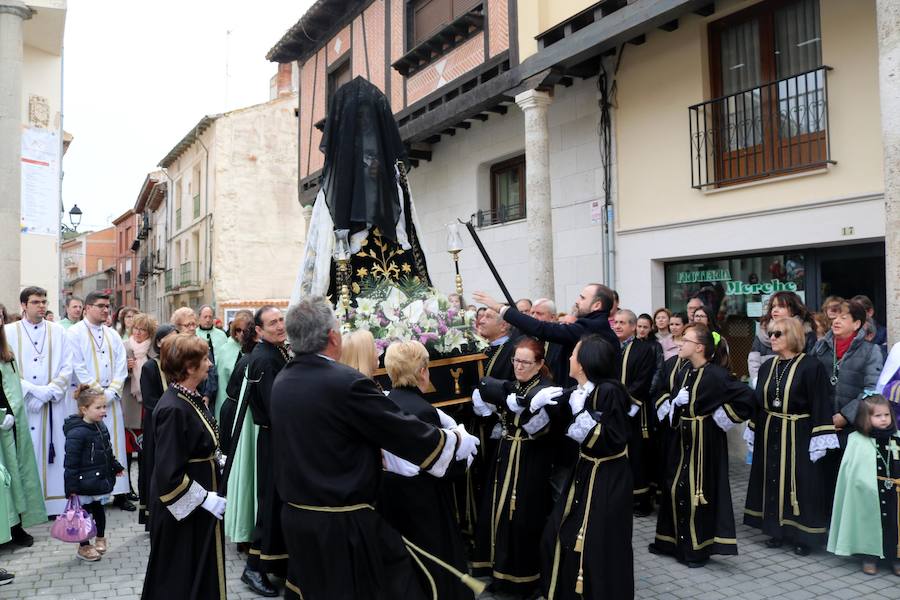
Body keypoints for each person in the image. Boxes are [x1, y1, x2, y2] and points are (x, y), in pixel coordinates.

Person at [269, 296, 479, 600]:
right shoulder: (345, 382)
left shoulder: (284, 379)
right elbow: (401, 430)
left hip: (298, 518)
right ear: (332, 337)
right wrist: (454, 441)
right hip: (343, 523)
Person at [535, 335, 633, 600]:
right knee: (558, 534)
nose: (569, 358)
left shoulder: (607, 391)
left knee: (596, 544)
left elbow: (610, 439)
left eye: (574, 354)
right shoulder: (583, 390)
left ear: (586, 361)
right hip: (586, 471)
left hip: (606, 476)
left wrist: (581, 414)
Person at [650, 323, 754, 567]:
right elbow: (674, 400)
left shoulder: (717, 375)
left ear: (699, 347)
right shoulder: (684, 369)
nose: (679, 343)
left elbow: (747, 397)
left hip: (703, 443)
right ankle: (670, 541)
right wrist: (675, 403)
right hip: (680, 438)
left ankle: (696, 549)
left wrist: (720, 416)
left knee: (698, 492)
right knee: (674, 487)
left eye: (685, 340)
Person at [378, 340, 473, 600]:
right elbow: (439, 466)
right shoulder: (422, 410)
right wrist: (464, 453)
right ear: (422, 372)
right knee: (433, 563)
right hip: (422, 502)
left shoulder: (385, 402)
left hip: (389, 495)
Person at [471, 337, 562, 597]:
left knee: (523, 517)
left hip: (530, 460)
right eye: (515, 361)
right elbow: (490, 391)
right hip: (505, 454)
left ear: (539, 363)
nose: (518, 366)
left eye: (525, 362)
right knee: (497, 513)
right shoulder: (512, 384)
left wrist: (525, 410)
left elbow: (542, 429)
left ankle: (522, 580)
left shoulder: (546, 390)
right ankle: (498, 572)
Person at [142, 334, 226, 600]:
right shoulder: (174, 409)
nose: (210, 364)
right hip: (184, 515)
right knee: (181, 578)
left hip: (198, 507)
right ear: (189, 367)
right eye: (204, 359)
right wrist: (204, 499)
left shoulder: (188, 397)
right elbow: (168, 474)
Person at [743, 317, 837, 556]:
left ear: (793, 337)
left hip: (800, 433)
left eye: (778, 334)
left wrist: (820, 438)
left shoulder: (811, 366)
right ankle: (777, 530)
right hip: (771, 431)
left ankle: (803, 536)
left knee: (802, 482)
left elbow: (820, 403)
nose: (771, 338)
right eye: (771, 334)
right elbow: (759, 402)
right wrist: (753, 427)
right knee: (773, 478)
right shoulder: (767, 366)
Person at [3, 286, 72, 519]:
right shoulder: (9, 331)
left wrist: (48, 393)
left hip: (52, 405)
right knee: (26, 451)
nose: (41, 305)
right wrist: (31, 392)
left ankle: (55, 505)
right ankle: (29, 506)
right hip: (23, 406)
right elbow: (6, 371)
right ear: (23, 305)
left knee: (56, 451)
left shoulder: (58, 331)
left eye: (44, 301)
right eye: (35, 302)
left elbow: (67, 366)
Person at [472, 283, 619, 388]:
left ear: (597, 305)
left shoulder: (593, 326)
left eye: (582, 298)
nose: (577, 301)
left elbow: (541, 329)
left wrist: (500, 308)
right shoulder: (591, 325)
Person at [65, 291, 133, 512]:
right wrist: (96, 394)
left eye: (108, 306)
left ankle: (120, 492)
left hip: (111, 399)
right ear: (87, 308)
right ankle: (90, 493)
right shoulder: (74, 333)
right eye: (101, 305)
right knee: (91, 445)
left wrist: (111, 391)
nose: (106, 309)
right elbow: (77, 365)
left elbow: (121, 366)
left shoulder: (112, 334)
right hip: (89, 400)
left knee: (115, 443)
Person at [241, 306, 291, 597]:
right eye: (272, 323)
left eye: (281, 320)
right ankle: (253, 568)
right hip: (274, 439)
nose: (279, 326)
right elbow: (276, 408)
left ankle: (277, 562)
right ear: (258, 330)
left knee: (277, 501)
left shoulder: (276, 352)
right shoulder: (265, 359)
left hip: (277, 438)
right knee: (270, 503)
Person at [828, 394, 900, 575]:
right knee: (868, 521)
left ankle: (896, 558)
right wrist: (863, 484)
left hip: (895, 493)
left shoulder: (897, 438)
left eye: (886, 415)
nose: (883, 419)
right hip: (867, 492)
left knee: (894, 523)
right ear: (865, 418)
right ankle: (870, 556)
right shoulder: (857, 440)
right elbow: (851, 471)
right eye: (877, 416)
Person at [63, 384, 125, 562]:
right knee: (82, 516)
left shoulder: (101, 427)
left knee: (99, 510)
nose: (103, 411)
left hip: (98, 480)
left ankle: (100, 537)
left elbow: (107, 450)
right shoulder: (76, 433)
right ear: (84, 409)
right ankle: (84, 546)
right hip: (82, 483)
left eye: (104, 406)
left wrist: (115, 466)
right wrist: (71, 487)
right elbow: (70, 463)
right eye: (98, 407)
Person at [0, 310, 47, 545]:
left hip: (12, 424)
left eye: (0, 316)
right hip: (1, 420)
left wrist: (11, 414)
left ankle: (17, 526)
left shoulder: (6, 353)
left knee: (16, 474)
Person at [612, 309, 658, 517]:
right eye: (616, 322)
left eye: (623, 323)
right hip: (614, 410)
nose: (618, 326)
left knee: (639, 455)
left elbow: (643, 380)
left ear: (633, 327)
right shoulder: (611, 347)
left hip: (636, 411)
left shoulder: (644, 349)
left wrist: (624, 400)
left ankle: (642, 500)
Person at [137, 324, 176, 529]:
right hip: (157, 426)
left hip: (175, 424)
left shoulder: (177, 364)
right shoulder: (150, 367)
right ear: (159, 342)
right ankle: (153, 515)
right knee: (155, 467)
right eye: (170, 338)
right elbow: (150, 401)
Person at [747, 292, 816, 387]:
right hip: (765, 382)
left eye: (781, 306)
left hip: (795, 384)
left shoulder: (806, 332)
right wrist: (756, 380)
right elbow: (753, 358)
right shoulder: (762, 331)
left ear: (793, 310)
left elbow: (810, 362)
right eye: (773, 307)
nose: (775, 310)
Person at [122, 313, 156, 503]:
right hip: (130, 405)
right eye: (135, 328)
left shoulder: (153, 349)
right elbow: (114, 376)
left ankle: (145, 487)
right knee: (127, 451)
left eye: (142, 329)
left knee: (146, 451)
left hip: (148, 406)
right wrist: (125, 369)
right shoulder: (125, 347)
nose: (138, 332)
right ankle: (127, 489)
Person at [171, 307, 218, 411]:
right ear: (178, 327)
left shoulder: (201, 344)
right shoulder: (174, 348)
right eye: (188, 325)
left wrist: (207, 395)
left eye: (193, 324)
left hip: (202, 397)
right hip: (181, 397)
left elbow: (211, 370)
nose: (192, 328)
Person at [212, 311, 247, 423]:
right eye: (238, 330)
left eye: (245, 330)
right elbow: (222, 387)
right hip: (231, 406)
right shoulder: (225, 350)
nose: (242, 333)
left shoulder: (257, 349)